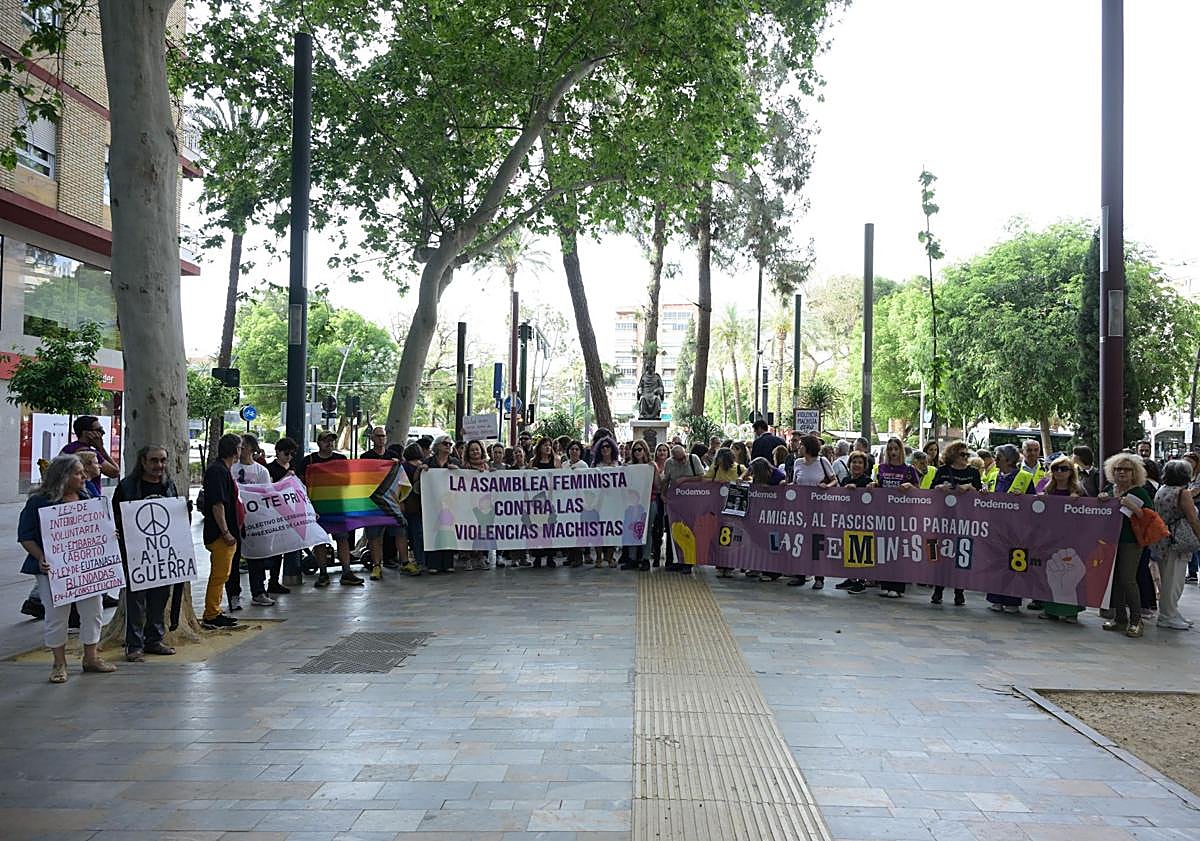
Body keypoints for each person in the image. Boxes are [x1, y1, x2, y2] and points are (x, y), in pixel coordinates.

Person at [18, 454, 115, 683]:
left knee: (93, 610)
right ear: (63, 476)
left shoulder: (86, 495)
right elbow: (25, 535)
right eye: (78, 473)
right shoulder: (39, 501)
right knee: (56, 615)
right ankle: (59, 663)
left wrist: (109, 536)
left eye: (83, 472)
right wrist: (40, 556)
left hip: (87, 568)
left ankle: (91, 658)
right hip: (53, 570)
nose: (84, 477)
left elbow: (98, 526)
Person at [112, 445, 181, 661]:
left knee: (160, 598)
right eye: (154, 460)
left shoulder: (169, 485)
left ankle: (154, 640)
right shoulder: (127, 487)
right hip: (136, 555)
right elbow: (116, 517)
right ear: (143, 462)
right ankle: (134, 645)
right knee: (136, 600)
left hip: (162, 554)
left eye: (162, 460)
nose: (159, 465)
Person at [1098, 452, 1154, 638]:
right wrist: (1101, 499)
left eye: (1126, 469)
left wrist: (1134, 507)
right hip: (1109, 541)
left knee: (1128, 579)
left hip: (1131, 541)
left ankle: (1136, 620)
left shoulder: (1139, 492)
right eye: (1118, 469)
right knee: (1114, 579)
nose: (1122, 472)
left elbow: (1149, 518)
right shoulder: (1108, 488)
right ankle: (1120, 618)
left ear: (1134, 473)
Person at [299, 431, 364, 587]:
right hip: (317, 508)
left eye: (331, 441)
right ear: (318, 443)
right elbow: (301, 483)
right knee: (319, 540)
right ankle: (322, 574)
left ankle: (346, 572)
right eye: (325, 440)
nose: (329, 444)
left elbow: (348, 480)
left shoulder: (340, 459)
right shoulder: (309, 461)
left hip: (337, 506)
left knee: (343, 539)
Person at [929, 440, 981, 607]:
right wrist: (939, 487)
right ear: (952, 455)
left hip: (964, 519)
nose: (965, 458)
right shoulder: (943, 471)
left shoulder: (973, 473)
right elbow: (931, 490)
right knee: (942, 554)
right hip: (944, 518)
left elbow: (980, 494)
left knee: (961, 554)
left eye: (967, 455)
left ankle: (960, 592)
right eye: (962, 454)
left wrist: (970, 488)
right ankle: (938, 590)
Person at [1037, 455, 1087, 622]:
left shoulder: (1079, 491)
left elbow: (1091, 511)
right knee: (1050, 572)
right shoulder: (1047, 489)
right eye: (1055, 469)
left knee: (1070, 572)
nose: (1059, 472)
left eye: (1064, 469)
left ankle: (1071, 612)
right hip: (1050, 536)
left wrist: (1079, 501)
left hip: (1071, 537)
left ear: (1071, 472)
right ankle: (1050, 609)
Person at [199, 434, 241, 630]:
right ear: (235, 450)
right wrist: (225, 532)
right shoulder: (218, 471)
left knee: (223, 574)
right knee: (219, 574)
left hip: (226, 531)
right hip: (220, 534)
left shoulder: (223, 470)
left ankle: (215, 609)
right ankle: (211, 613)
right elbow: (218, 504)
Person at [869, 437, 919, 598]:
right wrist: (873, 485)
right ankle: (885, 583)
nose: (892, 452)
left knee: (899, 550)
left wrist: (910, 486)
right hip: (884, 514)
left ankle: (898, 586)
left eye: (895, 449)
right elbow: (879, 485)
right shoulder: (881, 468)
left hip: (902, 515)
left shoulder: (909, 470)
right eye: (890, 449)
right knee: (884, 548)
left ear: (901, 451)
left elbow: (919, 491)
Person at [787, 434, 837, 589]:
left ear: (808, 447)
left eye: (801, 444)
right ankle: (800, 574)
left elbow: (834, 480)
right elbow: (795, 482)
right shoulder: (797, 463)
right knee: (801, 540)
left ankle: (819, 577)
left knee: (817, 543)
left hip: (819, 509)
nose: (798, 447)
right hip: (801, 509)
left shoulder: (822, 461)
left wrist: (827, 487)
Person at [229, 434, 274, 608]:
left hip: (255, 521)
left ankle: (258, 592)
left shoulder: (261, 471)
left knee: (257, 558)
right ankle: (233, 595)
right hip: (235, 520)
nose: (240, 449)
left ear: (251, 448)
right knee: (233, 558)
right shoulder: (231, 469)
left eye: (243, 445)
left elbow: (266, 494)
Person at [986, 444, 1031, 614]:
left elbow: (1033, 502)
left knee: (1015, 564)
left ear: (1009, 460)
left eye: (999, 457)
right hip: (995, 527)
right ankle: (995, 599)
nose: (995, 459)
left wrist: (1025, 499)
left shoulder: (1025, 477)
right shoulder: (992, 475)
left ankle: (1012, 600)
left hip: (1017, 529)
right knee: (995, 563)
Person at [1153, 459, 1197, 631]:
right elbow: (1192, 518)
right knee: (1174, 580)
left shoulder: (1162, 489)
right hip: (1178, 540)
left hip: (1163, 538)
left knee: (1168, 577)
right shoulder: (1183, 493)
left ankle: (1171, 612)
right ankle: (1167, 615)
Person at [360, 426, 405, 579]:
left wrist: (397, 464)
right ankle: (376, 565)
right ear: (372, 438)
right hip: (372, 502)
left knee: (400, 531)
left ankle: (405, 562)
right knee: (374, 535)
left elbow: (401, 478)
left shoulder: (393, 456)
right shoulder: (365, 457)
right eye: (378, 436)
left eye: (383, 436)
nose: (381, 439)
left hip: (391, 502)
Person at [264, 436, 301, 594]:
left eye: (292, 454)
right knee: (274, 549)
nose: (290, 457)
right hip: (274, 512)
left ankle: (274, 580)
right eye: (286, 453)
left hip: (291, 511)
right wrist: (287, 478)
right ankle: (270, 581)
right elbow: (269, 489)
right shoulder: (270, 469)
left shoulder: (292, 466)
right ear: (278, 452)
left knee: (284, 548)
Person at [661, 444, 705, 572]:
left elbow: (702, 477)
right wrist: (663, 494)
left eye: (683, 457)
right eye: (679, 460)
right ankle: (674, 560)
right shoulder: (669, 463)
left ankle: (688, 563)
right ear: (674, 459)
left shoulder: (693, 459)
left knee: (689, 531)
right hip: (676, 502)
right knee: (674, 531)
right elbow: (666, 480)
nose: (683, 461)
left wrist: (685, 479)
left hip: (691, 502)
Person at [423, 435, 460, 574]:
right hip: (432, 504)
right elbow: (417, 480)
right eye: (445, 444)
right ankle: (433, 563)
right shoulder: (429, 462)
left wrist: (457, 470)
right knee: (433, 533)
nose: (448, 446)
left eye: (450, 444)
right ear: (437, 446)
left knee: (448, 532)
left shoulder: (455, 461)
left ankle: (448, 563)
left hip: (451, 505)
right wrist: (422, 470)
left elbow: (465, 480)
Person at [622, 440, 654, 571]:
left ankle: (646, 558)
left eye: (639, 449)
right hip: (633, 504)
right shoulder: (629, 466)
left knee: (647, 530)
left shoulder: (651, 466)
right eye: (634, 450)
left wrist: (654, 470)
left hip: (649, 501)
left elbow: (657, 484)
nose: (637, 452)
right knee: (632, 529)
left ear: (645, 450)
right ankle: (632, 558)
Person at [529, 437, 559, 569]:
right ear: (539, 447)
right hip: (537, 501)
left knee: (549, 528)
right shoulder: (533, 461)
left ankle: (550, 556)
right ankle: (537, 557)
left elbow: (561, 478)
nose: (547, 448)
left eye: (549, 445)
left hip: (551, 499)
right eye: (545, 445)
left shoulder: (556, 461)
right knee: (537, 528)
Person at [592, 437, 622, 569]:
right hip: (599, 503)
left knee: (612, 530)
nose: (605, 449)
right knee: (598, 531)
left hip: (614, 503)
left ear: (612, 449)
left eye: (607, 447)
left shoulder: (618, 465)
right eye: (602, 447)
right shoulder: (595, 465)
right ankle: (598, 557)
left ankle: (609, 557)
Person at [399, 444, 426, 575]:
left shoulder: (403, 467)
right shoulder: (423, 466)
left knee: (413, 534)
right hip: (420, 505)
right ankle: (421, 560)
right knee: (418, 534)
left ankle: (418, 560)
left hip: (410, 504)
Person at [649, 442, 671, 567]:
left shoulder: (671, 466)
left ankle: (669, 558)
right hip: (656, 498)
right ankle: (656, 556)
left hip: (668, 500)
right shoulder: (653, 466)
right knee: (657, 528)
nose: (662, 452)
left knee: (668, 527)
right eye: (660, 450)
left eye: (664, 450)